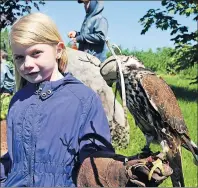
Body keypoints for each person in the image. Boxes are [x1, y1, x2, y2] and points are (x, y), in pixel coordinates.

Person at [0, 13, 172, 187]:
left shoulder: (83, 99)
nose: (27, 64)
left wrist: (114, 171)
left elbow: (96, 158)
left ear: (58, 50)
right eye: (19, 57)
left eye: (36, 53)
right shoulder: (18, 100)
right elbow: (14, 158)